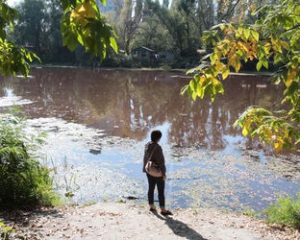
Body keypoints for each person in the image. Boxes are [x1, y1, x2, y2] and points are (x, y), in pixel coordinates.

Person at [142, 130, 172, 216]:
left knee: (151, 188)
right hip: (157, 172)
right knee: (161, 190)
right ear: (159, 138)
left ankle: (151, 206)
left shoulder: (147, 145)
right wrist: (163, 173)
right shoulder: (157, 148)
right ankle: (163, 209)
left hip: (149, 170)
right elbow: (161, 162)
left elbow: (145, 159)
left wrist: (145, 169)